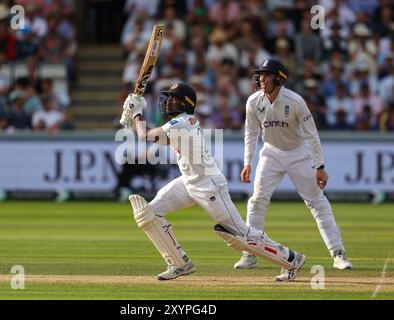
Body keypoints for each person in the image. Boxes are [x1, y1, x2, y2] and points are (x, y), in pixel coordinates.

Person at [119, 82, 307, 281]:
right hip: (188, 183)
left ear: (185, 103)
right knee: (148, 213)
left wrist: (137, 112)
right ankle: (179, 263)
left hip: (209, 186)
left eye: (173, 98)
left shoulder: (181, 123)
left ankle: (291, 259)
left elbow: (144, 135)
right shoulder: (179, 124)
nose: (168, 102)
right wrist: (132, 117)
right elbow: (152, 137)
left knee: (240, 236)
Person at [235, 59, 353, 274]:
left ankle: (338, 253)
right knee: (257, 200)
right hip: (270, 154)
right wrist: (247, 162)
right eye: (261, 75)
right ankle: (250, 253)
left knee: (317, 202)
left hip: (299, 154)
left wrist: (320, 166)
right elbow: (250, 133)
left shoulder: (295, 101)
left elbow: (312, 135)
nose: (262, 79)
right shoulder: (253, 102)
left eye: (268, 75)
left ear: (279, 78)